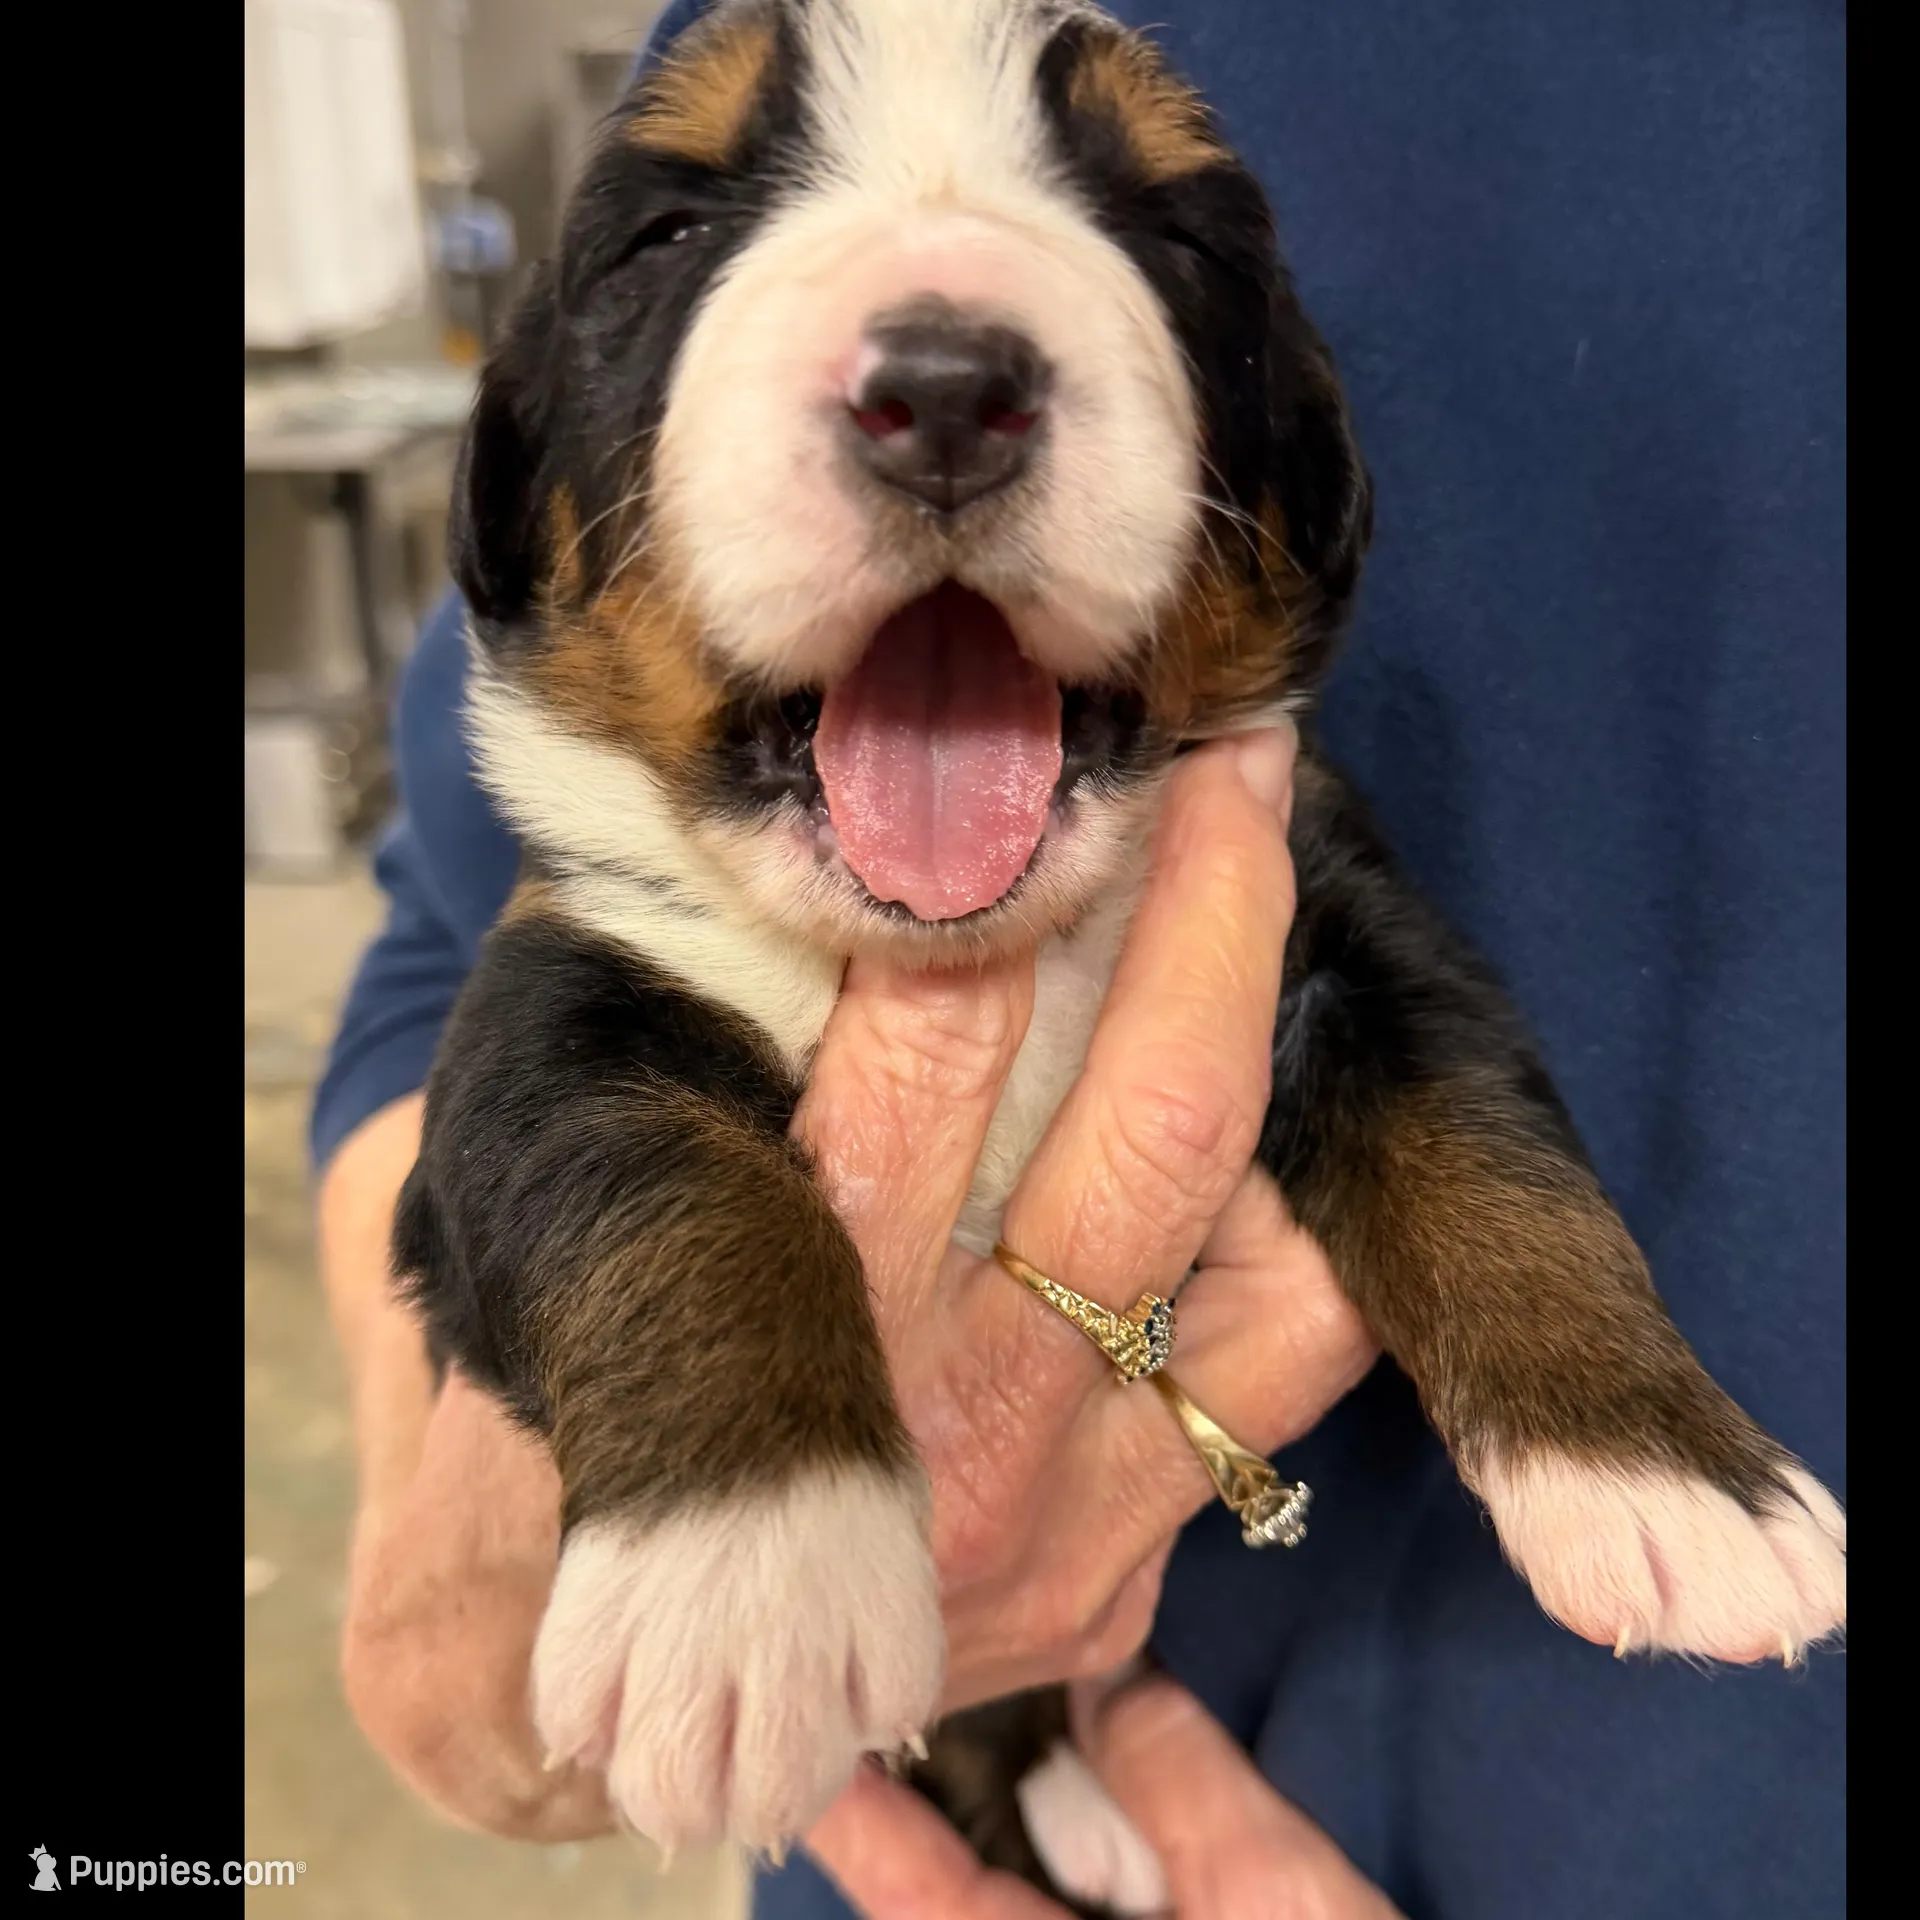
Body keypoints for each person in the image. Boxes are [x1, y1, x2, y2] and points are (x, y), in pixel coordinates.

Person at [311, 3, 1846, 1915]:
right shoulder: (615, 893)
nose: (945, 368)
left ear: (1301, 478)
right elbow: (459, 1018)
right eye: (677, 231)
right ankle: (992, 1758)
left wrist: (1578, 1389)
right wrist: (667, 1499)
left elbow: (1401, 1057)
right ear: (515, 486)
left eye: (1174, 243)